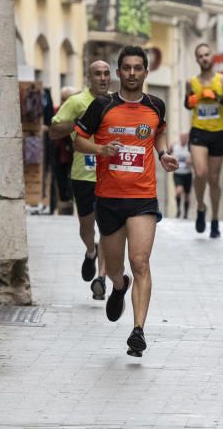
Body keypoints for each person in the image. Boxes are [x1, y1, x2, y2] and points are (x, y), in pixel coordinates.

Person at [73, 46, 178, 357]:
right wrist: (100, 150)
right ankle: (119, 286)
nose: (132, 73)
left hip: (142, 197)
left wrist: (163, 154)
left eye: (138, 68)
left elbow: (158, 134)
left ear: (146, 72)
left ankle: (138, 331)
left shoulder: (156, 106)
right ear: (119, 73)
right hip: (108, 198)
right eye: (127, 68)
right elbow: (79, 140)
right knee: (117, 267)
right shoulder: (101, 107)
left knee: (141, 261)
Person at [49, 62, 112, 299]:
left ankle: (101, 278)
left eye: (106, 74)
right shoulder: (76, 102)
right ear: (89, 77)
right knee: (87, 226)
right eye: (98, 74)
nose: (103, 78)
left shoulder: (114, 102)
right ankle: (89, 251)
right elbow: (54, 131)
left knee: (107, 227)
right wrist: (80, 121)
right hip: (82, 175)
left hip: (110, 174)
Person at [184, 43, 223, 237]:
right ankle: (201, 207)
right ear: (197, 60)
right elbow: (187, 103)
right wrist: (190, 101)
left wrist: (219, 98)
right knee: (200, 172)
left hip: (219, 132)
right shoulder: (191, 82)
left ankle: (215, 219)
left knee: (214, 179)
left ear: (213, 57)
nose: (204, 58)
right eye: (200, 56)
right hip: (199, 131)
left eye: (207, 54)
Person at [48, 86, 78, 214]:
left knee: (74, 182)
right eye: (63, 99)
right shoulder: (56, 111)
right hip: (59, 152)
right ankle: (63, 209)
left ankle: (72, 207)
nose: (64, 101)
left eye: (67, 99)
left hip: (75, 153)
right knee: (60, 181)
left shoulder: (78, 111)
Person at [171, 132, 193, 219]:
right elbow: (167, 153)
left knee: (187, 195)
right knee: (179, 191)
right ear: (180, 138)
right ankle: (178, 210)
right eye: (182, 137)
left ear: (187, 138)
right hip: (178, 173)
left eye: (185, 138)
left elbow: (195, 159)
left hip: (187, 173)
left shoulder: (190, 147)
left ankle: (185, 214)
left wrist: (191, 161)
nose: (183, 139)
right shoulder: (175, 146)